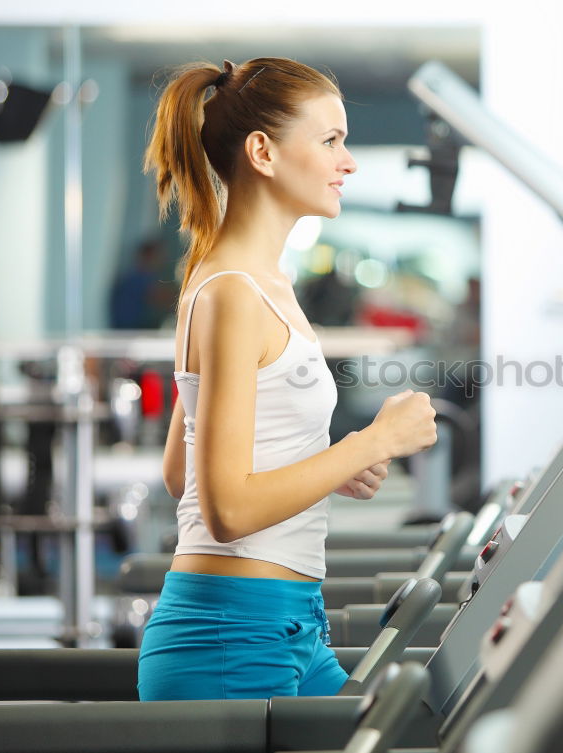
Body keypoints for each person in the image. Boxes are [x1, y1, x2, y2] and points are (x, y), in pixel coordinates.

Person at [136, 57, 438, 701]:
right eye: (331, 141)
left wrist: (323, 461)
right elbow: (226, 510)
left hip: (288, 624)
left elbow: (179, 472)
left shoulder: (249, 281)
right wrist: (371, 443)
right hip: (228, 637)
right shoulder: (235, 292)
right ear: (263, 153)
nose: (349, 161)